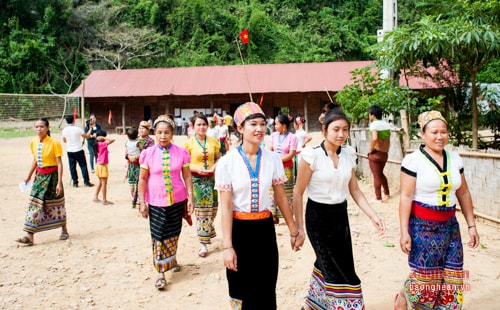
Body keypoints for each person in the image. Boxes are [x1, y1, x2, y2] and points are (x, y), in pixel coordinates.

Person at [293, 110, 386, 310]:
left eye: (345, 129)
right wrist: (299, 228)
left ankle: (312, 304)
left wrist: (373, 215)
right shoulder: (312, 155)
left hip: (340, 219)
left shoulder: (348, 154)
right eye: (336, 129)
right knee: (338, 270)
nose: (341, 134)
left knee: (332, 263)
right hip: (317, 219)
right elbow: (298, 191)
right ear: (325, 130)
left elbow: (355, 190)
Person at [214, 102, 303, 309]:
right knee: (240, 288)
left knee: (266, 286)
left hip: (264, 229)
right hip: (239, 230)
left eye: (263, 124)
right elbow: (226, 208)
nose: (259, 129)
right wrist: (228, 247)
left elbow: (281, 197)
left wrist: (293, 229)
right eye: (253, 124)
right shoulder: (227, 163)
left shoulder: (273, 159)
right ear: (239, 128)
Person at [394, 111, 480, 310]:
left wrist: (471, 225)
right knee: (426, 283)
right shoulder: (413, 161)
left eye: (443, 132)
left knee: (452, 277)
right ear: (423, 134)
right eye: (434, 132)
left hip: (450, 226)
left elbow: (464, 193)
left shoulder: (455, 158)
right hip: (422, 227)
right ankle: (406, 294)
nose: (440, 136)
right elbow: (406, 197)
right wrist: (404, 232)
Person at [138, 115, 194, 290]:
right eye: (160, 132)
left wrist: (190, 197)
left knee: (174, 231)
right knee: (159, 235)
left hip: (177, 199)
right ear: (154, 133)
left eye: (167, 132)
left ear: (172, 134)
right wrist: (142, 202)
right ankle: (161, 273)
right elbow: (142, 179)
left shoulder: (182, 152)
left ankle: (172, 259)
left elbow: (186, 175)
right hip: (156, 201)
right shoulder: (148, 154)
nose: (163, 136)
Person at [16, 118, 69, 246]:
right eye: (37, 127)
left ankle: (64, 230)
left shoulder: (55, 143)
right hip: (39, 177)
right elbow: (35, 160)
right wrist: (28, 176)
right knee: (34, 203)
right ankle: (30, 236)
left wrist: (59, 182)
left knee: (57, 203)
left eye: (42, 126)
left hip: (53, 177)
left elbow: (59, 164)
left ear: (47, 128)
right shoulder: (33, 142)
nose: (39, 129)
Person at [183, 114, 221, 258]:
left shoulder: (214, 141)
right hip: (197, 181)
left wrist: (215, 166)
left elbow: (218, 157)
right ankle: (203, 243)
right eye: (198, 124)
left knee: (212, 210)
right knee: (202, 212)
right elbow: (185, 165)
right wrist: (197, 169)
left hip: (212, 180)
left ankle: (207, 232)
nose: (202, 127)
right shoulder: (188, 144)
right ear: (193, 126)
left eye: (204, 124)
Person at [269, 114, 298, 224]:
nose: (275, 126)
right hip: (274, 168)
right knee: (272, 191)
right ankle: (273, 216)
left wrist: (278, 160)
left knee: (286, 191)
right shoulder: (273, 136)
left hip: (287, 168)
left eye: (277, 124)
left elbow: (291, 154)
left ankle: (287, 215)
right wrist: (274, 160)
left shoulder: (292, 137)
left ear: (284, 125)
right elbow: (270, 150)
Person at [62, 115, 94, 187]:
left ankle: (75, 182)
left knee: (72, 167)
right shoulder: (78, 129)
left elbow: (64, 141)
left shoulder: (64, 130)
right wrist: (90, 128)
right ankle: (86, 181)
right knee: (83, 166)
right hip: (78, 149)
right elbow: (87, 136)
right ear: (73, 120)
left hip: (69, 150)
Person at [368, 105, 391, 203]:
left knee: (376, 176)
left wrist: (370, 150)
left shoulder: (374, 124)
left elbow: (374, 138)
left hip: (376, 153)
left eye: (369, 114)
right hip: (384, 153)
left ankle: (378, 198)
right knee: (380, 174)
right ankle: (387, 193)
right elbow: (388, 140)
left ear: (372, 115)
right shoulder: (386, 124)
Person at [93, 130, 115, 205]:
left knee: (100, 182)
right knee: (104, 183)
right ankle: (104, 200)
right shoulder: (102, 144)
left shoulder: (96, 144)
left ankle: (95, 196)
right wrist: (104, 137)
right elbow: (113, 140)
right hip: (102, 165)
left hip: (98, 165)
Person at [125, 127, 141, 208]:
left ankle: (133, 198)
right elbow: (142, 150)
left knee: (132, 182)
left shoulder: (127, 143)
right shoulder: (138, 143)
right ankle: (137, 200)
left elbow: (126, 153)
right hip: (138, 164)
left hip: (131, 164)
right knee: (138, 183)